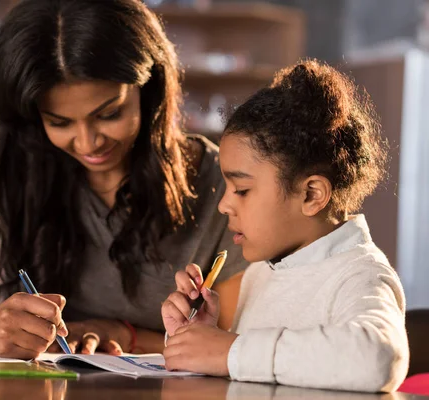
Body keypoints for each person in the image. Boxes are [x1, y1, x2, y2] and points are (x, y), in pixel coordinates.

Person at [0, 0, 247, 359]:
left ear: (149, 93)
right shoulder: (12, 153)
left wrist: (122, 332)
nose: (88, 142)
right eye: (58, 123)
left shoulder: (221, 184)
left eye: (108, 113)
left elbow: (230, 344)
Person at [161, 60, 409, 392]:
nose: (223, 205)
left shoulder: (359, 274)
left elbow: (378, 358)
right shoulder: (261, 273)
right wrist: (197, 337)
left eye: (242, 190)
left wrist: (231, 351)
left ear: (311, 194)